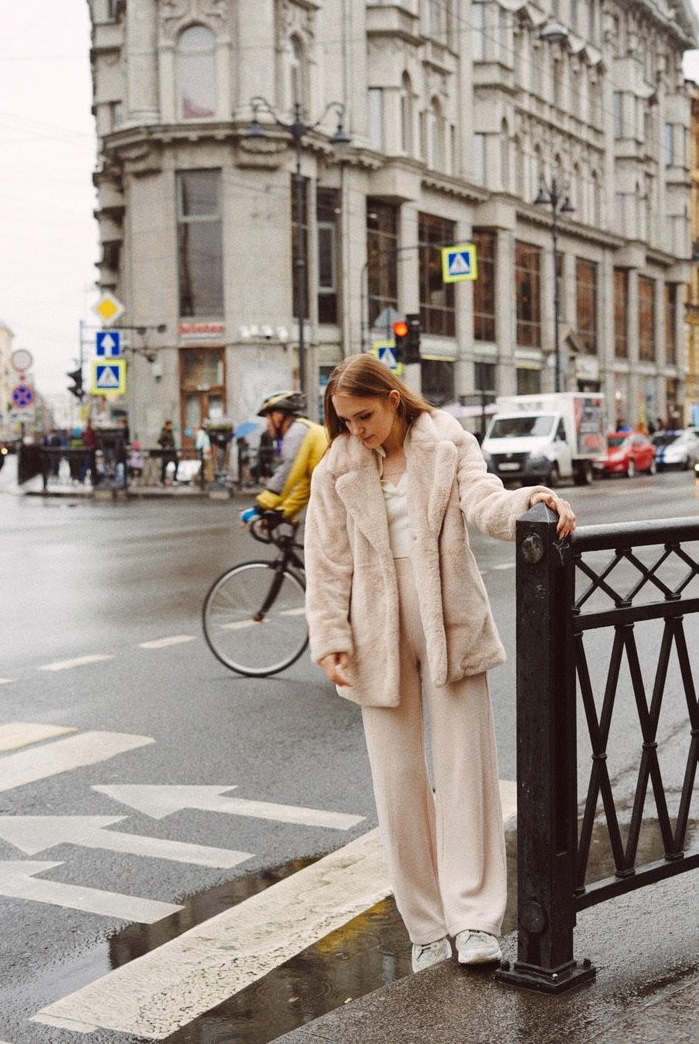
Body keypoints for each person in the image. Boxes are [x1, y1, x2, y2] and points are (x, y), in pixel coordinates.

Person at [303, 354, 576, 975]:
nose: (357, 430)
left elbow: (483, 503)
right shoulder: (336, 467)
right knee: (397, 782)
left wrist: (529, 502)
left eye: (364, 416)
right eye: (345, 420)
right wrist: (331, 636)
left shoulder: (446, 441)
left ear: (393, 400)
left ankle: (475, 920)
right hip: (375, 628)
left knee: (466, 771)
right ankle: (425, 927)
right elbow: (326, 561)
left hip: (449, 615)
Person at [240, 391, 327, 525]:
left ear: (278, 416)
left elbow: (288, 471)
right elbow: (308, 486)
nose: (267, 425)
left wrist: (261, 507)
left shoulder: (298, 432)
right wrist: (283, 513)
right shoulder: (305, 429)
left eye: (268, 418)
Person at [158, 419, 177, 485]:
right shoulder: (164, 432)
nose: (171, 426)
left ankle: (174, 478)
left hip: (172, 451)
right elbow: (160, 441)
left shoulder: (170, 432)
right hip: (166, 452)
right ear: (167, 425)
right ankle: (162, 479)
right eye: (170, 425)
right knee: (164, 465)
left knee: (176, 463)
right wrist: (165, 445)